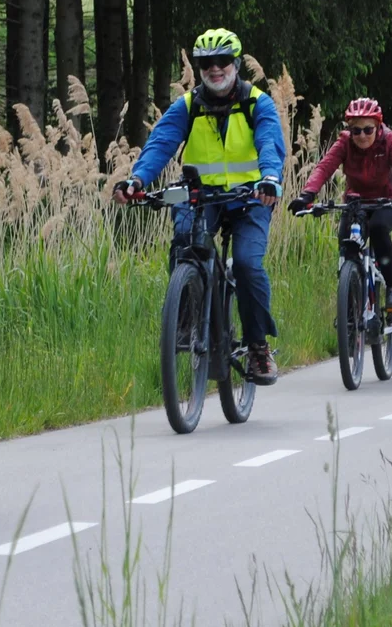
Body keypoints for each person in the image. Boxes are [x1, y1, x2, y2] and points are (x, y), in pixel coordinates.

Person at [114, 29, 286, 384]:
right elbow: (160, 143)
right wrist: (136, 181)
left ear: (236, 64)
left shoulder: (258, 103)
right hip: (200, 196)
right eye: (206, 63)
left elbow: (269, 143)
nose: (215, 69)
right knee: (185, 244)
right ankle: (187, 318)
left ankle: (257, 347)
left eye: (223, 61)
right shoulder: (188, 105)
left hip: (250, 197)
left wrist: (269, 178)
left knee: (247, 264)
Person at [292, 98, 392, 311]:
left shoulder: (390, 141)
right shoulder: (344, 143)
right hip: (355, 203)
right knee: (346, 244)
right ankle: (350, 303)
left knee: (378, 229)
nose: (361, 136)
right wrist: (307, 195)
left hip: (387, 202)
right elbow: (324, 168)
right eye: (356, 131)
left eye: (368, 130)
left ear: (378, 127)